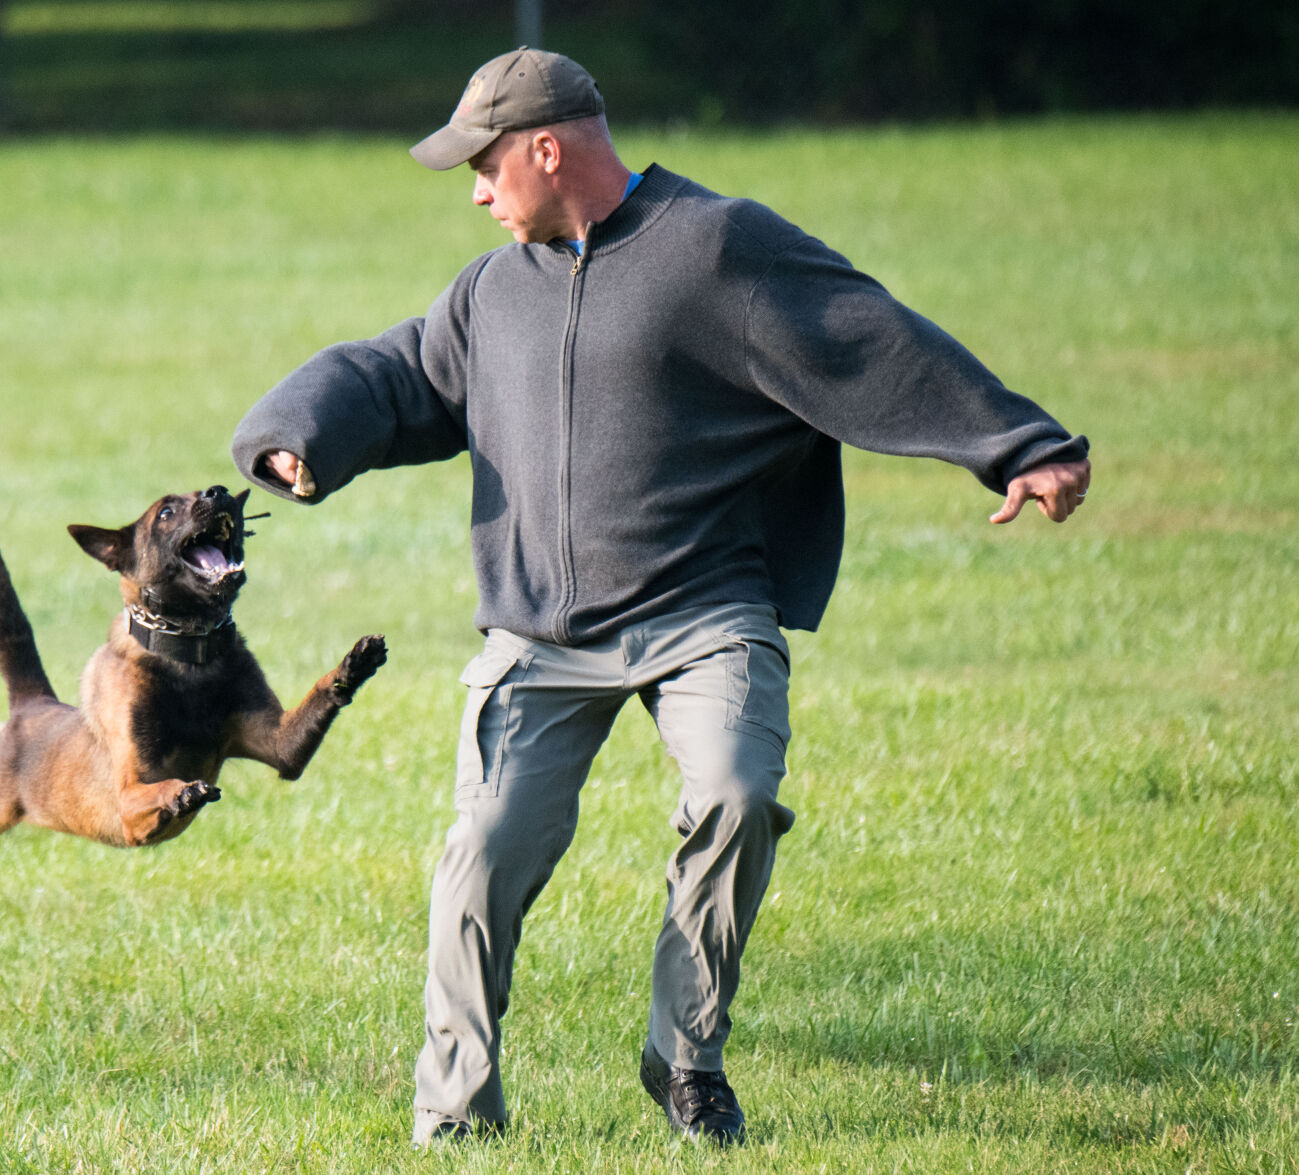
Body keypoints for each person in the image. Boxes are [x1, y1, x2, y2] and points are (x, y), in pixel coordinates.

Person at [230, 48, 1090, 1146]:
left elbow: (865, 337)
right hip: (537, 628)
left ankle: (685, 1062)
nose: (479, 196)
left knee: (736, 791)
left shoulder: (714, 249)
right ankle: (454, 1109)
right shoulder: (491, 291)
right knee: (483, 844)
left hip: (703, 609)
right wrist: (298, 432)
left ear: (547, 148)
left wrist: (1019, 445)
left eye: (485, 169)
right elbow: (400, 375)